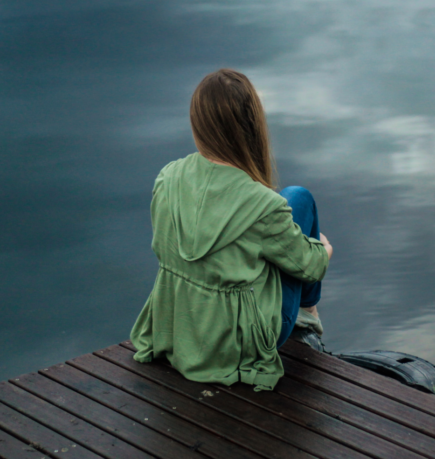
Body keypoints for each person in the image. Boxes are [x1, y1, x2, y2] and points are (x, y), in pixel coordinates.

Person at [129, 69, 333, 391]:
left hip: (180, 331)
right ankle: (307, 317)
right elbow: (313, 267)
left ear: (198, 124)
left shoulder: (167, 178)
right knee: (298, 197)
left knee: (285, 211)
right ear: (251, 126)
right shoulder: (264, 205)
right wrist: (323, 249)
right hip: (238, 347)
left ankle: (303, 313)